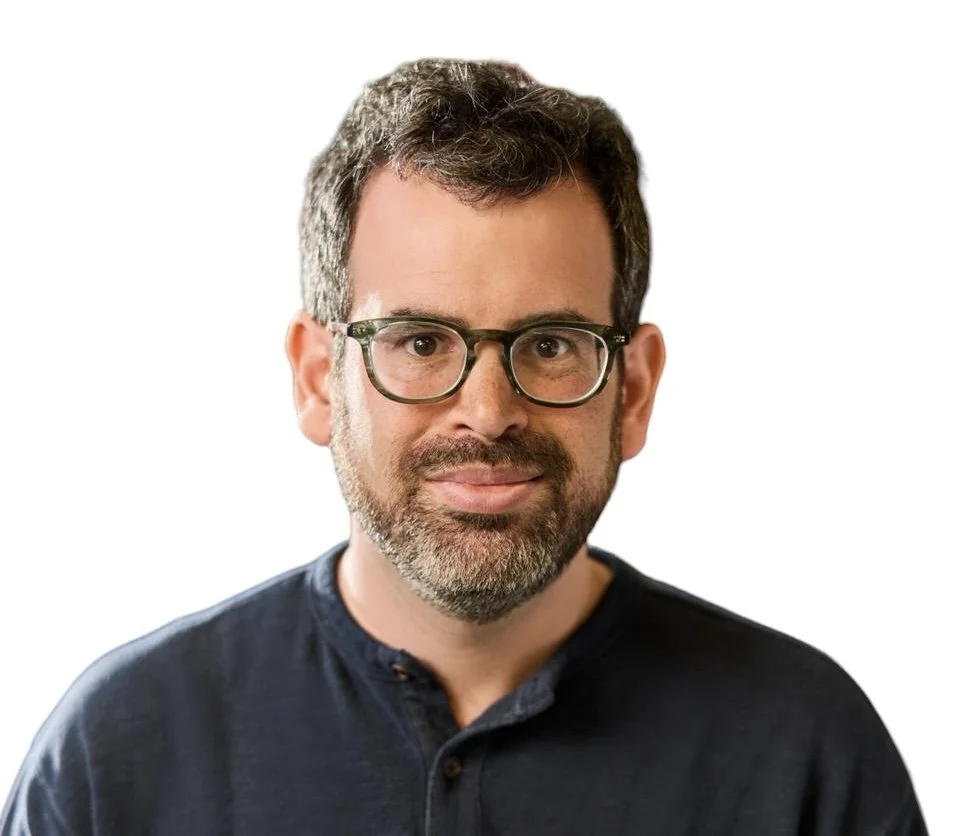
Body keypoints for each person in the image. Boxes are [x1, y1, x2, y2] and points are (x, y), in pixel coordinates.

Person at [1, 58, 927, 836]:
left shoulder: (806, 753)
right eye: (418, 341)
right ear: (320, 378)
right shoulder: (116, 756)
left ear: (634, 389)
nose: (487, 412)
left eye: (553, 345)